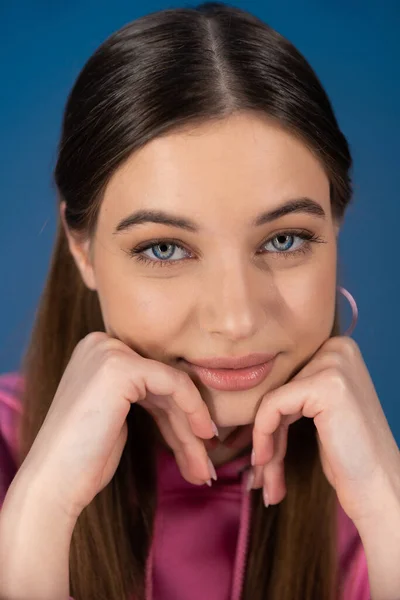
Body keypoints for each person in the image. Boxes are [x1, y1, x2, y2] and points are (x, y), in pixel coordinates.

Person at [1, 2, 400, 599]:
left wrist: (386, 508)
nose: (236, 319)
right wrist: (39, 512)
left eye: (284, 240)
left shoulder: (374, 492)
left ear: (335, 228)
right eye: (164, 249)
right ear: (82, 250)